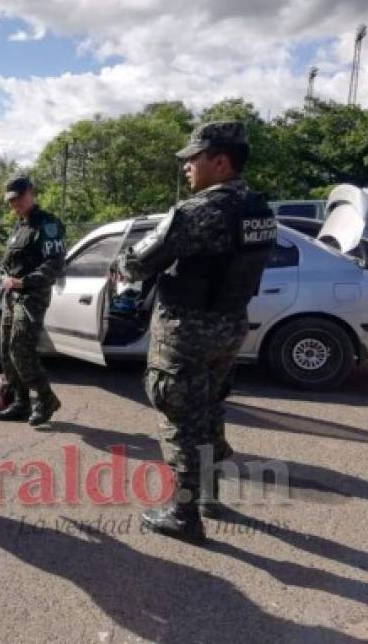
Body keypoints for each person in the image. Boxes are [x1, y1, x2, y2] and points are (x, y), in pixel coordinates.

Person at [113, 121, 276, 544]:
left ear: (220, 162)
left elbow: (137, 264)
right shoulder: (259, 208)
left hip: (187, 330)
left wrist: (125, 259)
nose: (186, 166)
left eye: (193, 158)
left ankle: (184, 516)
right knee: (210, 409)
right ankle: (208, 495)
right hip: (230, 324)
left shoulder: (198, 211)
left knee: (180, 417)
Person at [0, 175, 65, 428]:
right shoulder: (20, 225)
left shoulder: (48, 224)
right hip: (11, 296)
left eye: (18, 198)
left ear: (30, 192)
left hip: (32, 297)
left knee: (21, 348)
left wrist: (23, 282)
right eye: (10, 201)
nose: (14, 205)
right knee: (6, 349)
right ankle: (21, 402)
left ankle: (46, 398)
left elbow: (54, 265)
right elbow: (10, 261)